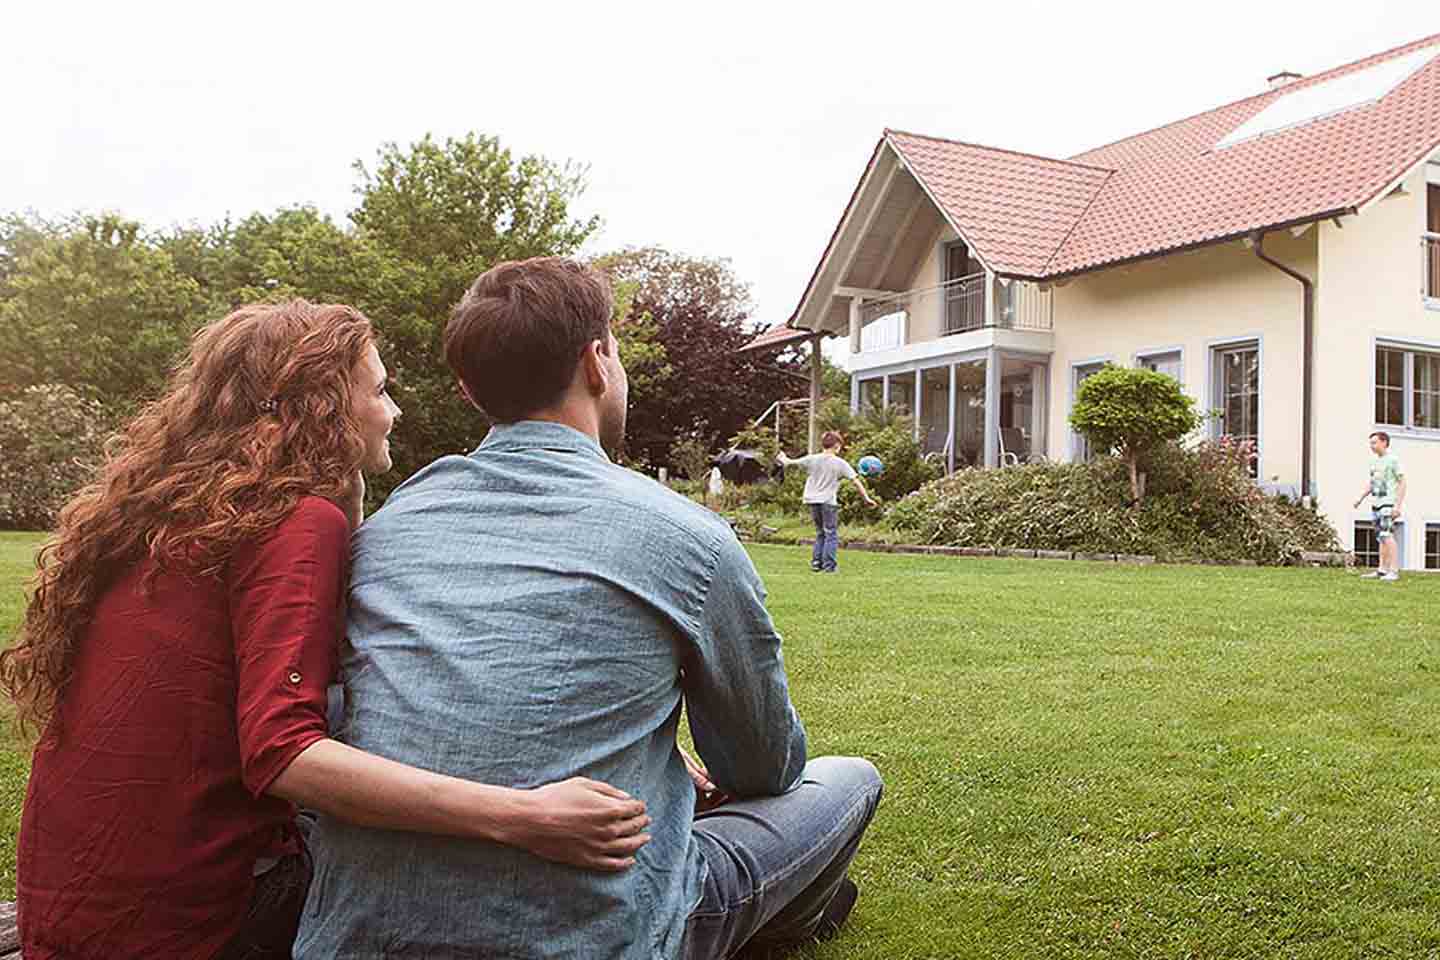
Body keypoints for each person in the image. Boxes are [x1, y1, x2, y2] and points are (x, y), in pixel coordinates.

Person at [2, 301, 652, 960]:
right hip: (191, 927)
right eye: (378, 390)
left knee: (354, 705)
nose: (394, 411)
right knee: (418, 860)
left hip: (73, 912)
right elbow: (284, 755)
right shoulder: (296, 522)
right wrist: (524, 818)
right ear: (322, 413)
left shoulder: (175, 512)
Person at [296, 258, 883, 959]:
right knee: (848, 780)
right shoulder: (686, 535)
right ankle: (782, 922)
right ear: (597, 361)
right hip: (590, 936)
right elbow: (762, 769)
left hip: (357, 938)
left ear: (469, 389)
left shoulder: (391, 525)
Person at [777, 432, 878, 573]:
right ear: (837, 446)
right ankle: (829, 566)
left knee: (820, 533)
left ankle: (816, 563)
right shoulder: (840, 463)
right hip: (828, 502)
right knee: (831, 533)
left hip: (812, 500)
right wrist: (866, 498)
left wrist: (783, 457)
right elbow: (856, 482)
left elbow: (789, 463)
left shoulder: (812, 459)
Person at [1353, 430, 1407, 581]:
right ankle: (1382, 570)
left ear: (1384, 442)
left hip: (1388, 503)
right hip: (1376, 504)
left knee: (1387, 535)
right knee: (1380, 538)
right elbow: (1372, 483)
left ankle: (1394, 571)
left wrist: (1397, 506)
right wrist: (1360, 498)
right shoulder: (1374, 462)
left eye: (1374, 442)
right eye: (1370, 443)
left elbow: (1402, 482)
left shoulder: (1393, 460)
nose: (1372, 446)